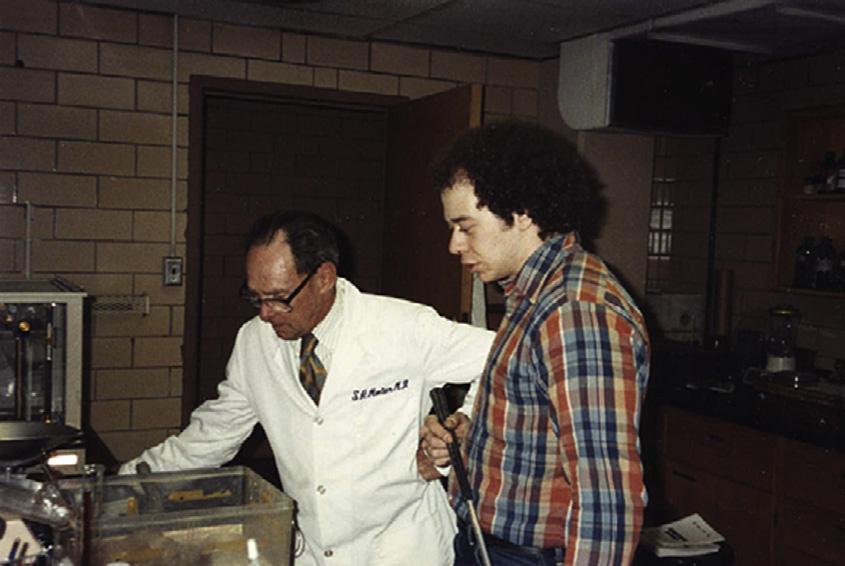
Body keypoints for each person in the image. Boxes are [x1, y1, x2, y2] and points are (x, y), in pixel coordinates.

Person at [119, 210, 494, 566]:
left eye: (278, 297)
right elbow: (212, 434)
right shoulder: (254, 342)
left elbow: (505, 357)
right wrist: (130, 482)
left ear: (324, 278)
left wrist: (464, 427)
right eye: (255, 297)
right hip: (314, 551)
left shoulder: (402, 327)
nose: (265, 313)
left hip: (403, 549)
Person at [420, 121, 651, 566]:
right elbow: (541, 428)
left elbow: (605, 498)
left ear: (522, 212)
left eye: (465, 227)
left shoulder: (575, 312)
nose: (454, 245)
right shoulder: (534, 296)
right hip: (493, 547)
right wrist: (474, 438)